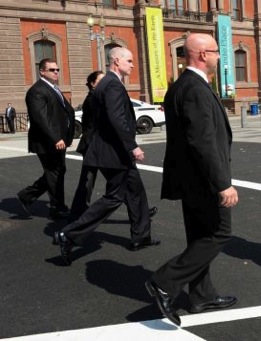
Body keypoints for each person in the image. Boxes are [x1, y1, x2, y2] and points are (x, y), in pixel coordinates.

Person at [145, 33, 237, 327]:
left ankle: (201, 295)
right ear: (200, 55)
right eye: (215, 51)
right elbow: (203, 141)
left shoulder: (181, 86)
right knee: (219, 234)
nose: (219, 56)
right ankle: (164, 281)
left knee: (200, 235)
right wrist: (222, 183)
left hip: (189, 178)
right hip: (203, 179)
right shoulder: (195, 88)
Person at [54, 48, 160, 266]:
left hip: (111, 151)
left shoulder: (108, 83)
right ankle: (69, 234)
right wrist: (133, 146)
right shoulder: (111, 84)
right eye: (129, 61)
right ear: (117, 61)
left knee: (136, 191)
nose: (132, 64)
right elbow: (116, 118)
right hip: (114, 152)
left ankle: (141, 237)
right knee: (114, 196)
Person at [68, 71, 158, 222]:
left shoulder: (100, 96)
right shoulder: (94, 98)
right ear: (93, 84)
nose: (105, 83)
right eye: (101, 80)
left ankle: (139, 212)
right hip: (95, 146)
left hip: (98, 145)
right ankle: (76, 218)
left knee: (117, 183)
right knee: (97, 184)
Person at [18, 59, 75, 220]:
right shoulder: (37, 91)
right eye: (52, 70)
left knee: (57, 172)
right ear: (42, 72)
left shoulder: (53, 88)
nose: (56, 72)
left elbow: (66, 111)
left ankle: (27, 195)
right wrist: (56, 138)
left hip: (58, 140)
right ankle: (57, 208)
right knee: (54, 173)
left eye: (57, 69)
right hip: (47, 142)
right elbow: (41, 118)